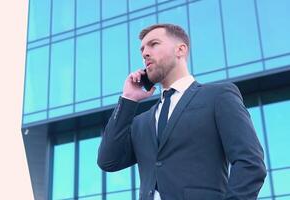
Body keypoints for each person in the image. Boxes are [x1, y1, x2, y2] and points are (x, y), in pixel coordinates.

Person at [97, 24, 266, 200]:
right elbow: (108, 161)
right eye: (142, 49)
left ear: (180, 50)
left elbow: (250, 163)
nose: (145, 53)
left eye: (154, 44)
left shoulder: (218, 96)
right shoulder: (142, 121)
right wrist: (128, 99)